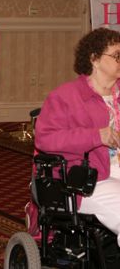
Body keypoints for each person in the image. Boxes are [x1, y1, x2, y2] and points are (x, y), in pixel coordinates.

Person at [35, 27, 120, 246]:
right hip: (88, 180)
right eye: (117, 55)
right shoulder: (66, 96)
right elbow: (45, 140)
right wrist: (95, 136)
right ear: (94, 59)